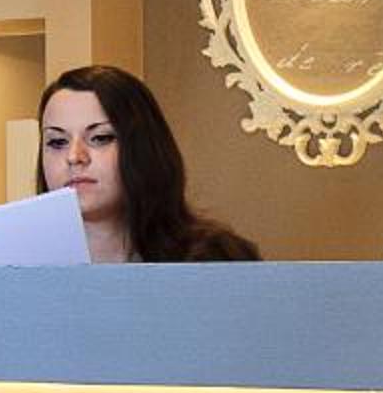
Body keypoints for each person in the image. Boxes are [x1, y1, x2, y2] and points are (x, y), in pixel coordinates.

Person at [36, 66, 259, 264]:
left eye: (100, 138)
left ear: (143, 147)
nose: (75, 156)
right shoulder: (21, 265)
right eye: (57, 142)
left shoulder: (217, 260)